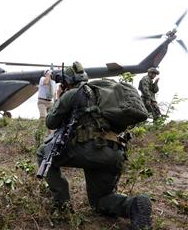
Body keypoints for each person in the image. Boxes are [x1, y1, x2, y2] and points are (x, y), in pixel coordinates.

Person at [36, 61, 152, 230]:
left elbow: (51, 122)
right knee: (101, 200)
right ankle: (133, 205)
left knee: (42, 152)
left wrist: (59, 98)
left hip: (89, 150)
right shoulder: (103, 94)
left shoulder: (73, 94)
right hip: (115, 153)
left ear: (67, 82)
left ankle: (62, 203)